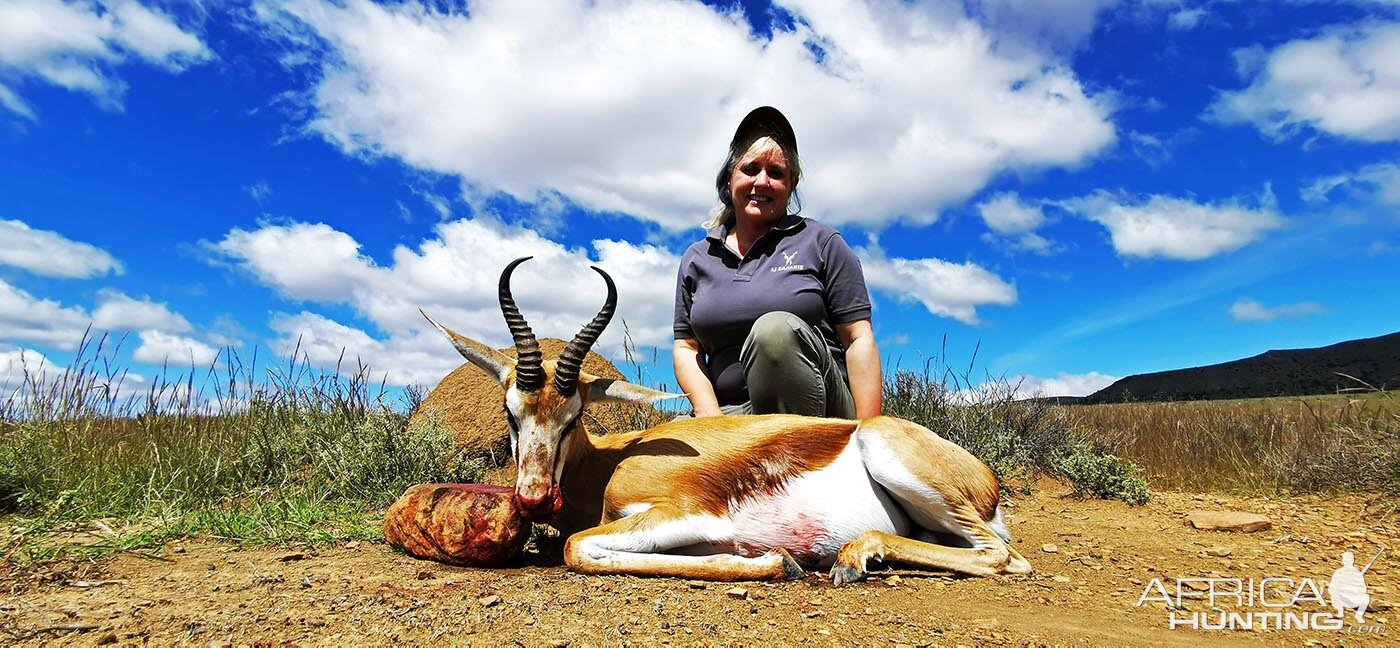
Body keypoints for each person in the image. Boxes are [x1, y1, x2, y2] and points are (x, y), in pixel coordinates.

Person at [673, 106, 881, 420]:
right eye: (751, 168)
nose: (762, 181)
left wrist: (870, 432)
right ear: (730, 178)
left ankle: (804, 459)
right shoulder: (697, 258)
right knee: (659, 450)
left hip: (821, 413)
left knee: (774, 332)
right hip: (731, 415)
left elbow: (858, 338)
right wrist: (710, 420)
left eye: (776, 173)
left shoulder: (820, 242)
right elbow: (686, 349)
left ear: (792, 184)